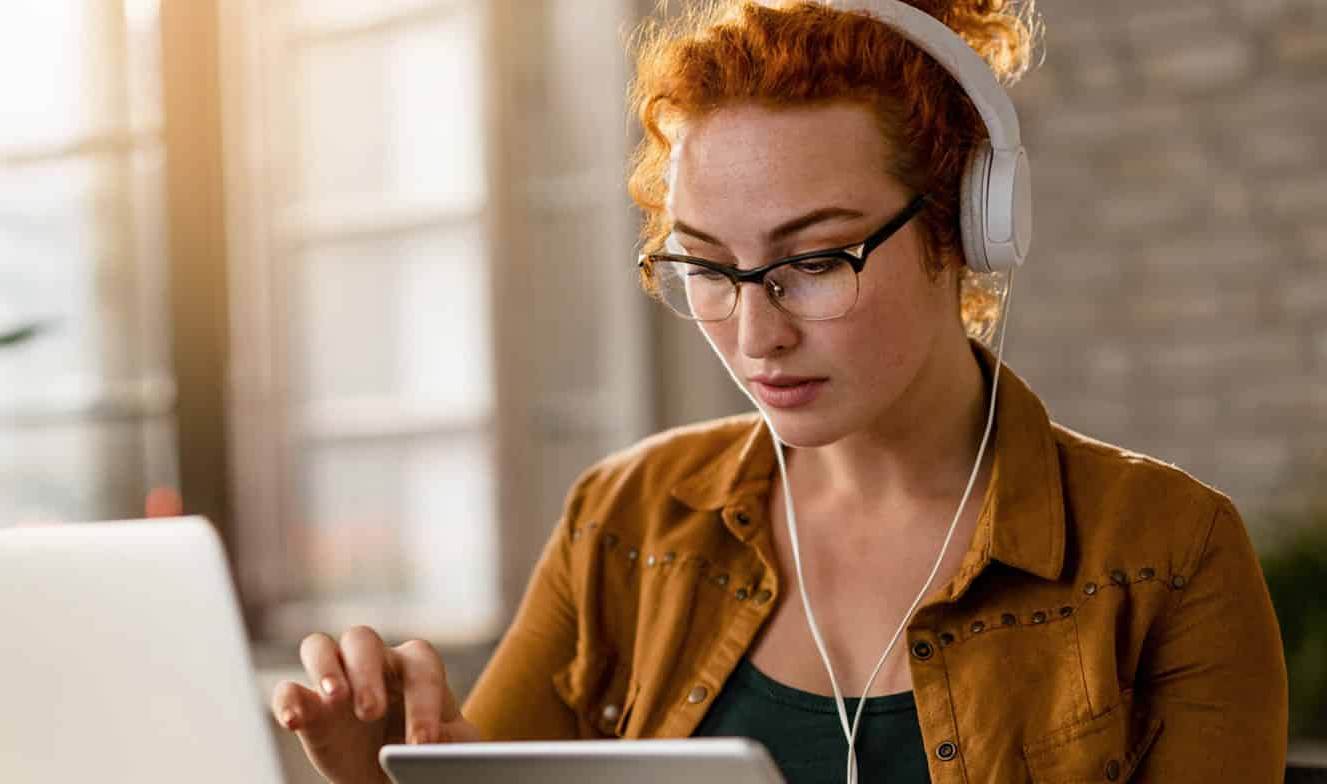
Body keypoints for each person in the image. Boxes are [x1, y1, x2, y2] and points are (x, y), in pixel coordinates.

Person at [270, 1, 1289, 782]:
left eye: (813, 260)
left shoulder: (1166, 553)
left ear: (966, 230)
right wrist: (384, 769)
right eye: (707, 265)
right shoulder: (623, 521)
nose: (756, 333)